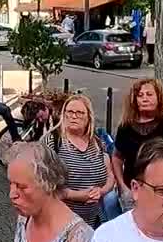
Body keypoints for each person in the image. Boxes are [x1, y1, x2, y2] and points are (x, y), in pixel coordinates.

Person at [112, 78, 163, 209]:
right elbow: (117, 158)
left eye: (149, 94)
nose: (144, 98)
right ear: (134, 100)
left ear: (159, 97)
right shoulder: (126, 126)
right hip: (134, 192)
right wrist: (122, 186)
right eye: (140, 95)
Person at [48, 94, 117, 227]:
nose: (74, 116)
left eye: (79, 113)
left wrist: (101, 191)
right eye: (70, 112)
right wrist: (77, 195)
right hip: (61, 222)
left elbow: (110, 176)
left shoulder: (97, 142)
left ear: (88, 117)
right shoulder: (53, 141)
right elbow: (42, 183)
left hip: (94, 221)